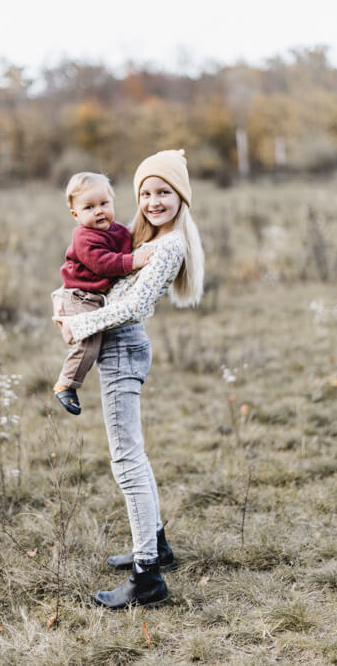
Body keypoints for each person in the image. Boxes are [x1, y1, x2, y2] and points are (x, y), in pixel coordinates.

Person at [58, 150, 204, 609]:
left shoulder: (169, 245)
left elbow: (134, 307)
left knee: (126, 460)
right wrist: (62, 304)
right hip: (116, 346)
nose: (153, 202)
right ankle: (156, 544)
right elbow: (95, 277)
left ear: (180, 196)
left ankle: (148, 578)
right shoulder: (143, 237)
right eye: (145, 192)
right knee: (131, 455)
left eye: (163, 192)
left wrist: (75, 326)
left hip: (121, 348)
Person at [51, 172, 152, 415]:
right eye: (89, 207)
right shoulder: (83, 237)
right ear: (76, 215)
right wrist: (133, 261)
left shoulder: (118, 230)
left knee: (96, 338)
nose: (99, 211)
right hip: (78, 296)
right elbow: (103, 263)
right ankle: (66, 384)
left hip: (95, 297)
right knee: (90, 342)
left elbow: (131, 243)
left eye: (104, 204)